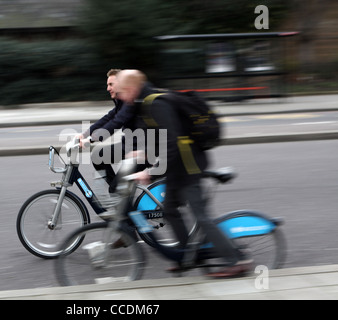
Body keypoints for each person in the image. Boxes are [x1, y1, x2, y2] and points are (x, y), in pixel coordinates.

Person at [116, 69, 253, 278]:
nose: (120, 97)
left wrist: (151, 171)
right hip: (178, 168)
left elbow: (173, 142)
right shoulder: (147, 102)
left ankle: (236, 260)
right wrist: (144, 153)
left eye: (121, 92)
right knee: (170, 210)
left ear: (131, 89)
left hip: (189, 167)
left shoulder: (155, 104)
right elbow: (164, 140)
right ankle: (187, 256)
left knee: (202, 216)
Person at [76, 69, 148, 192]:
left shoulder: (130, 101)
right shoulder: (121, 102)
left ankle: (119, 194)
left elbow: (116, 123)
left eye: (111, 84)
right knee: (98, 156)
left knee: (116, 189)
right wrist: (85, 134)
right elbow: (108, 117)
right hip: (129, 146)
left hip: (142, 151)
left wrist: (91, 139)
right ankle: (120, 193)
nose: (108, 88)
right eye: (107, 85)